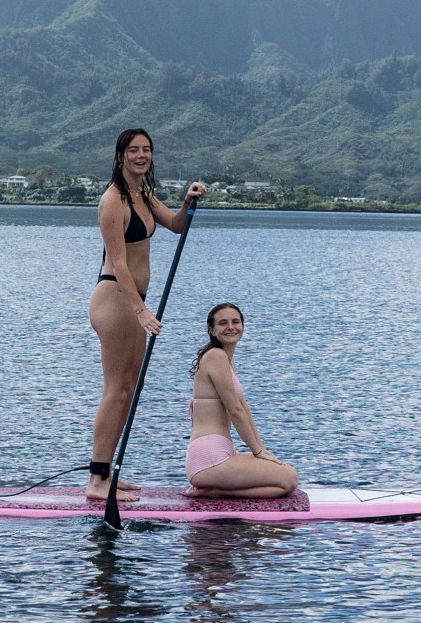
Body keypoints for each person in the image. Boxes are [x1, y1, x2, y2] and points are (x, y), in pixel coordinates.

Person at [88, 127, 204, 502]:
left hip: (134, 301)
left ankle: (108, 473)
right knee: (115, 389)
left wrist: (187, 201)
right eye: (134, 150)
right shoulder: (113, 201)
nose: (141, 155)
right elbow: (119, 264)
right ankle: (96, 482)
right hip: (117, 299)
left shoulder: (143, 193)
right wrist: (140, 310)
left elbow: (175, 225)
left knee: (127, 389)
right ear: (120, 156)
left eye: (147, 150)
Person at [184, 301, 297, 498]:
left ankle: (215, 489)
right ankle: (214, 491)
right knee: (288, 479)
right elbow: (234, 409)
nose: (230, 327)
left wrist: (261, 449)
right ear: (211, 330)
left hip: (217, 454)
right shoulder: (215, 356)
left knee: (286, 474)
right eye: (223, 323)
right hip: (209, 458)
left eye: (235, 322)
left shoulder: (226, 360)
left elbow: (243, 407)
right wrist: (257, 451)